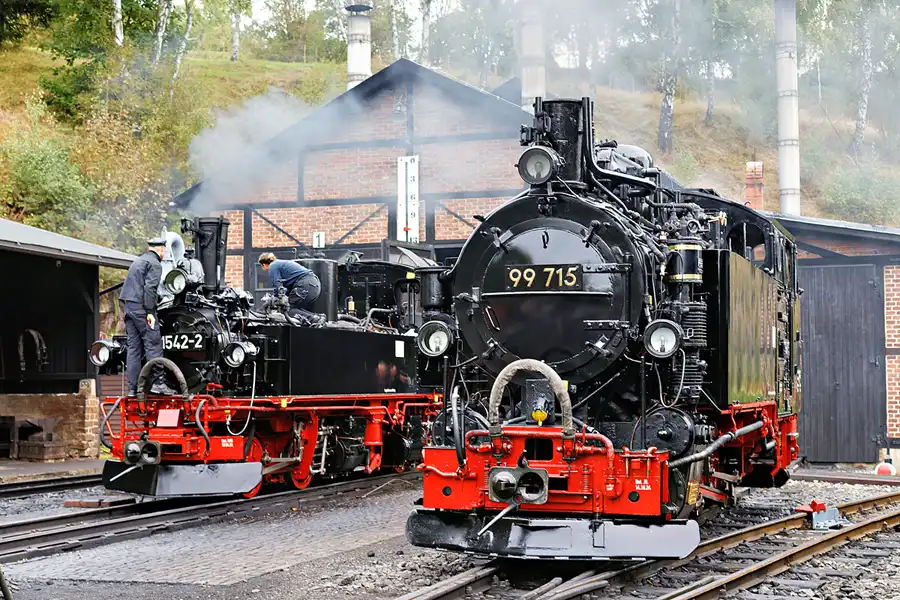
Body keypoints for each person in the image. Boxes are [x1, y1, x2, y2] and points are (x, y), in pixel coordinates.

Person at [119, 238, 177, 396]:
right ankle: (158, 383)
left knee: (134, 349)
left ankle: (132, 389)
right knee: (153, 343)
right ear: (161, 250)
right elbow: (150, 288)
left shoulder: (138, 261)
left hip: (129, 307)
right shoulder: (155, 264)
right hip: (141, 308)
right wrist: (150, 312)